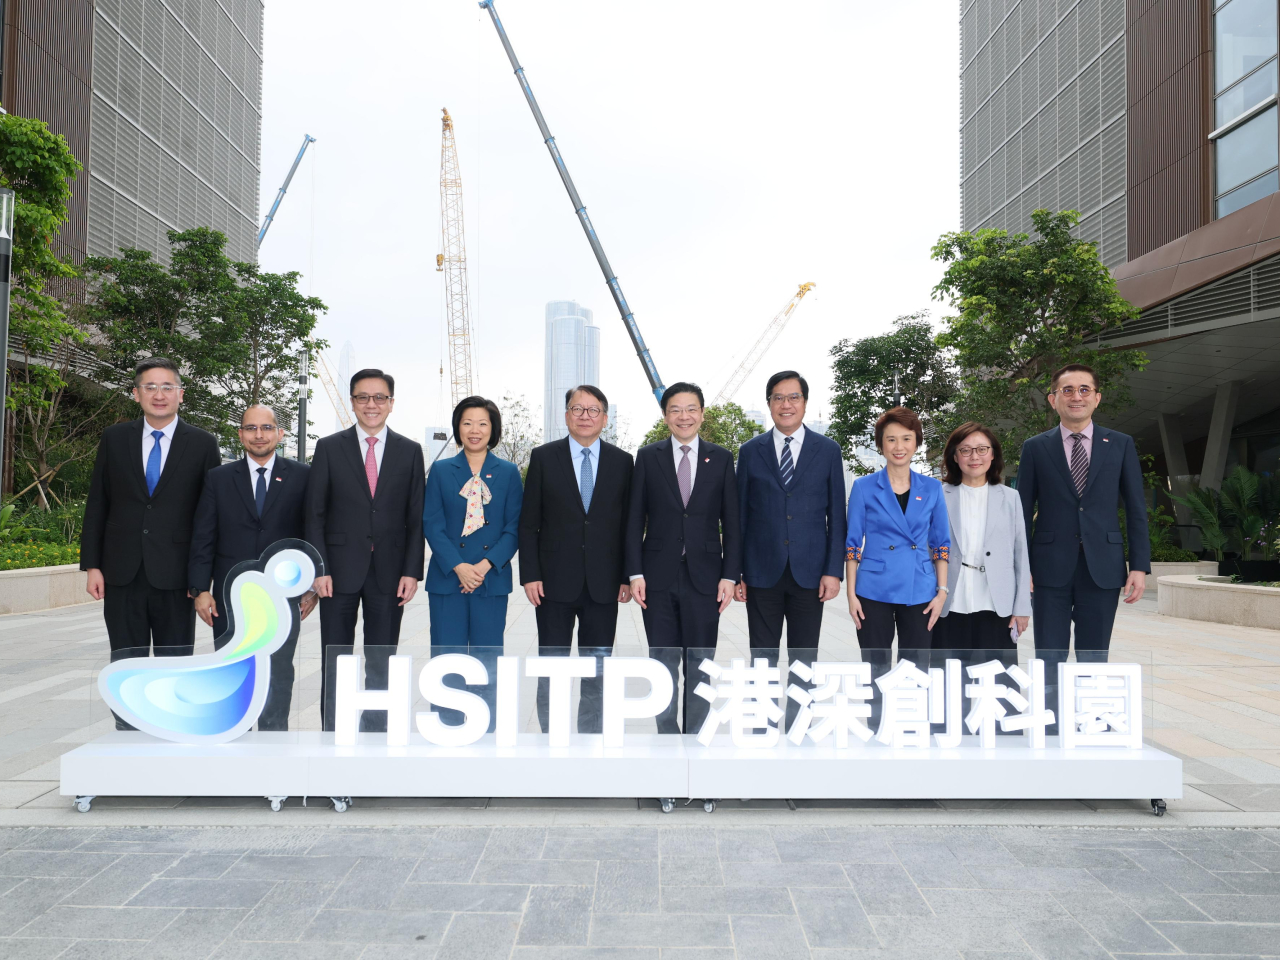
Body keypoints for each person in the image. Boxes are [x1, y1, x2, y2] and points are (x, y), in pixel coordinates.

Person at [81, 358, 222, 728]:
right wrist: (92, 565)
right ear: (136, 393)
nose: (159, 395)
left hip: (177, 576)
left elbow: (209, 516)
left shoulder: (204, 444)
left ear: (181, 394)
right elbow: (99, 502)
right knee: (126, 662)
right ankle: (128, 734)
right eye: (150, 387)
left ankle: (172, 733)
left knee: (175, 662)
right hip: (121, 570)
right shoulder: (115, 438)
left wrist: (201, 580)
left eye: (167, 387)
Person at [1017, 363, 1149, 729]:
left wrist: (1138, 565)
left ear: (1097, 398)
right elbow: (1021, 512)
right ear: (1053, 399)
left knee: (1094, 654)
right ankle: (1050, 726)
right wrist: (1021, 567)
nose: (1076, 396)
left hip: (1102, 567)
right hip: (1047, 569)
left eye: (1084, 390)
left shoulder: (1120, 444)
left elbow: (1136, 508)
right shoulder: (1035, 447)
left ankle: (1093, 725)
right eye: (1068, 390)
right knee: (1049, 654)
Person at [306, 368, 426, 732]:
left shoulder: (409, 451)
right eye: (363, 397)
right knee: (336, 659)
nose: (371, 405)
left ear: (391, 403)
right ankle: (334, 733)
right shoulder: (329, 447)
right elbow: (315, 513)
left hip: (390, 574)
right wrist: (318, 568)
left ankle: (375, 734)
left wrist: (411, 570)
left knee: (381, 660)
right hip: (337, 573)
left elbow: (415, 517)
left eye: (379, 398)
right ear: (352, 402)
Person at [188, 404, 316, 730]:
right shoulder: (218, 478)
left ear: (280, 433)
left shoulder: (302, 476)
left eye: (266, 428)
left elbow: (312, 533)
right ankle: (236, 737)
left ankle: (274, 740)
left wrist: (312, 585)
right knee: (233, 669)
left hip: (283, 596)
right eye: (251, 428)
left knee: (279, 668)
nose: (259, 435)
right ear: (241, 433)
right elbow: (204, 536)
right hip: (230, 597)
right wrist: (200, 590)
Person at [735, 371, 847, 729]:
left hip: (810, 572)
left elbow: (837, 515)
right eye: (778, 398)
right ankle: (761, 724)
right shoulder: (750, 452)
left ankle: (800, 724)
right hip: (761, 571)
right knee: (761, 655)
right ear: (768, 404)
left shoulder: (827, 450)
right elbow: (739, 516)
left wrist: (833, 570)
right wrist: (736, 571)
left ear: (804, 402)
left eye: (793, 397)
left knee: (804, 656)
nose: (786, 405)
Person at [626, 382, 740, 734]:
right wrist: (634, 573)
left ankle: (695, 741)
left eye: (691, 408)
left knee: (701, 665)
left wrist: (730, 575)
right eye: (675, 409)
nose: (684, 416)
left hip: (706, 578)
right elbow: (634, 519)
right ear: (665, 416)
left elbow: (732, 522)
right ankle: (667, 745)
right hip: (656, 577)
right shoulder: (648, 456)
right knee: (662, 664)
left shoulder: (720, 458)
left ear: (702, 414)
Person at [519, 384, 633, 735]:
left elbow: (629, 524)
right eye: (577, 409)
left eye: (593, 410)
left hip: (604, 583)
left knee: (598, 667)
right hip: (552, 583)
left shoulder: (623, 461)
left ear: (605, 417)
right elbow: (529, 523)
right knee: (551, 666)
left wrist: (628, 576)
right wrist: (530, 575)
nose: (585, 416)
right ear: (566, 415)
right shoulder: (543, 457)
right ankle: (550, 738)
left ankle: (590, 738)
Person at [422, 396, 522, 729]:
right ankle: (447, 728)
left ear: (493, 429)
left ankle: (487, 729)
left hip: (490, 581)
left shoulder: (508, 473)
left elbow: (514, 527)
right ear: (457, 428)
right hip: (448, 579)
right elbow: (432, 524)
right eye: (467, 423)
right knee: (447, 659)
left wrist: (483, 565)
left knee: (487, 660)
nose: (474, 430)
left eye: (482, 423)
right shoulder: (440, 470)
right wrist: (459, 566)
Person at [844, 407, 950, 716]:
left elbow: (941, 544)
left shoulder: (931, 488)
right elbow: (852, 545)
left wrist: (942, 591)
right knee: (875, 665)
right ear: (880, 445)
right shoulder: (864, 486)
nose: (899, 446)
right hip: (873, 588)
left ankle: (910, 727)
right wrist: (851, 595)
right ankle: (877, 726)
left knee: (916, 666)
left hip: (921, 588)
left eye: (906, 438)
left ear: (916, 442)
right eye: (891, 439)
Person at [934, 422, 1030, 669]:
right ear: (954, 457)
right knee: (949, 681)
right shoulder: (938, 495)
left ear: (993, 454)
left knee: (999, 680)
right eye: (965, 450)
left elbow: (1020, 555)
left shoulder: (1010, 497)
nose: (974, 457)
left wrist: (1022, 607)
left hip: (997, 602)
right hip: (950, 599)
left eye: (982, 449)